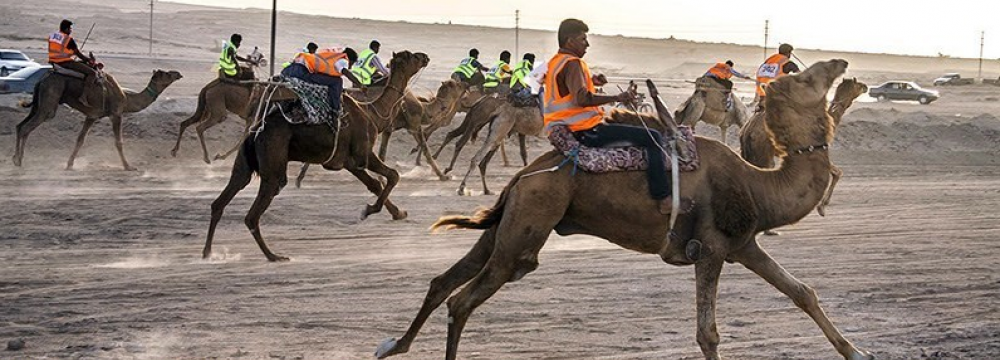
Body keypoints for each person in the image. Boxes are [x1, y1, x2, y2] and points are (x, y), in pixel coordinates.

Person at [542, 18, 676, 214]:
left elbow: (567, 90)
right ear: (570, 41)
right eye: (583, 39)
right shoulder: (573, 63)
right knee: (654, 137)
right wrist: (617, 96)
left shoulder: (556, 62)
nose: (587, 44)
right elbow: (581, 99)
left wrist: (592, 81)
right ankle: (663, 198)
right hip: (586, 130)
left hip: (564, 126)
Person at [281, 47, 362, 118]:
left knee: (333, 80)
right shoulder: (343, 60)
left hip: (290, 69)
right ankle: (335, 110)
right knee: (337, 81)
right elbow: (347, 73)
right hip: (301, 72)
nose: (350, 67)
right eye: (352, 64)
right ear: (350, 59)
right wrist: (360, 85)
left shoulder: (330, 56)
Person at [48, 19, 100, 106]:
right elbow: (78, 53)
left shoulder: (52, 36)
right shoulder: (68, 39)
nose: (71, 31)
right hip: (64, 62)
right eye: (70, 29)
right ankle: (83, 97)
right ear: (66, 29)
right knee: (92, 73)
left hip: (54, 61)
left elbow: (59, 49)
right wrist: (88, 60)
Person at [755, 43, 800, 111]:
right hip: (776, 93)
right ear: (789, 53)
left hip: (761, 93)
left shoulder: (769, 60)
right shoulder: (787, 62)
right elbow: (800, 75)